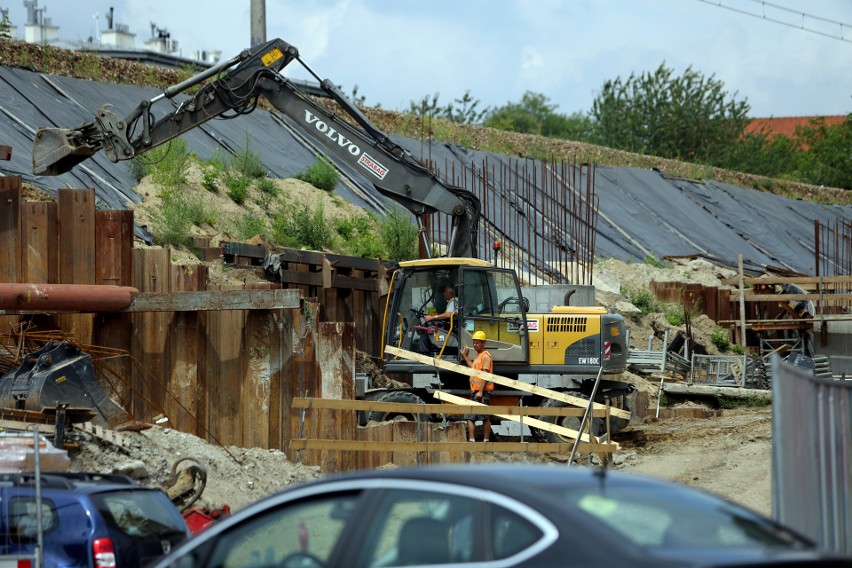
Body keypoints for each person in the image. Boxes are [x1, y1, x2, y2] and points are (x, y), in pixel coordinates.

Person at [461, 330, 494, 442]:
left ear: (483, 343)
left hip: (482, 391)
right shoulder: (478, 356)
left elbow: (485, 375)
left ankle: (486, 440)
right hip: (475, 391)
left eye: (477, 343)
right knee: (470, 417)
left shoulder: (485, 356)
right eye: (474, 343)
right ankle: (472, 440)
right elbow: (472, 366)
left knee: (484, 417)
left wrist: (480, 391)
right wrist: (465, 356)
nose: (475, 345)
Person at [418, 285, 457, 354]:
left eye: (445, 292)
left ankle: (424, 352)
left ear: (450, 293)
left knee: (425, 330)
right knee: (427, 325)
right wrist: (431, 316)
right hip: (447, 324)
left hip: (448, 326)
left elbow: (449, 314)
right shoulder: (451, 302)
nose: (443, 294)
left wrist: (433, 317)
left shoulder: (454, 302)